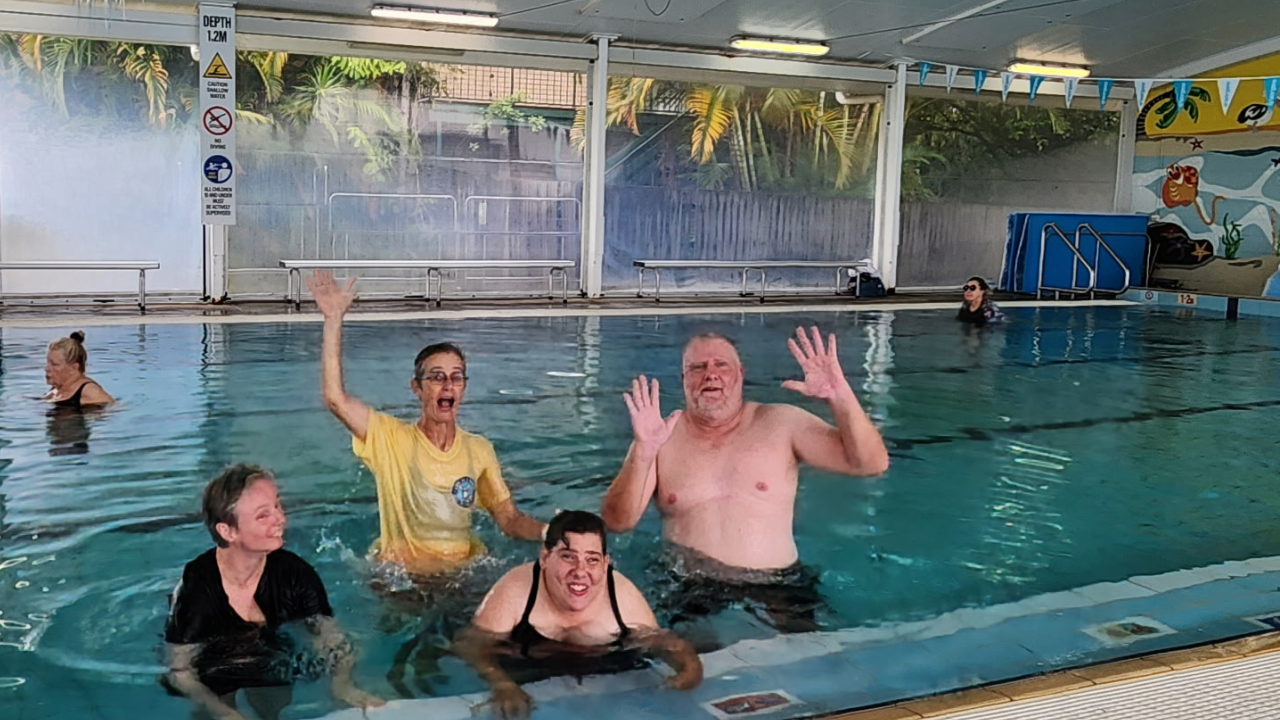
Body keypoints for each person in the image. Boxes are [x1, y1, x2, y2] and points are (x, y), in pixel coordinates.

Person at [601, 327, 889, 631]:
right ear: (683, 379)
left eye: (721, 365)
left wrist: (840, 396)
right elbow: (618, 522)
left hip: (777, 582)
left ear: (741, 374)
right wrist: (643, 452)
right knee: (684, 659)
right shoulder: (660, 439)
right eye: (697, 367)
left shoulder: (782, 423)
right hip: (688, 586)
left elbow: (871, 464)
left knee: (816, 654)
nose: (710, 374)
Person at [306, 270, 546, 576]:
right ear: (417, 388)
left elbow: (510, 520)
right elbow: (335, 399)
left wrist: (548, 531)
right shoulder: (390, 439)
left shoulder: (479, 449)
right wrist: (333, 320)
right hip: (405, 581)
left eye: (456, 377)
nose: (447, 385)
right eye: (436, 377)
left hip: (462, 576)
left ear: (464, 387)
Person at [163, 464, 382, 720]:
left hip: (271, 651)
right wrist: (223, 713)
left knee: (274, 704)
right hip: (211, 661)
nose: (281, 519)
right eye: (263, 515)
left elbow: (333, 640)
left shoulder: (295, 574)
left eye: (277, 506)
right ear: (228, 531)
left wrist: (342, 684)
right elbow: (180, 672)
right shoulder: (197, 589)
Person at [454, 511, 702, 719]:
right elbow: (470, 646)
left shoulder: (622, 596)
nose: (580, 571)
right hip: (526, 665)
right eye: (568, 557)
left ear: (605, 563)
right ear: (545, 558)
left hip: (603, 667)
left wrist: (689, 668)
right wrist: (502, 683)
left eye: (592, 560)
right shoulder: (515, 591)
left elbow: (664, 643)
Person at [42, 331, 113, 407]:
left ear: (73, 368)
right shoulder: (57, 389)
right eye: (48, 362)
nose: (47, 368)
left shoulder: (90, 391)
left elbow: (111, 407)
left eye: (55, 364)